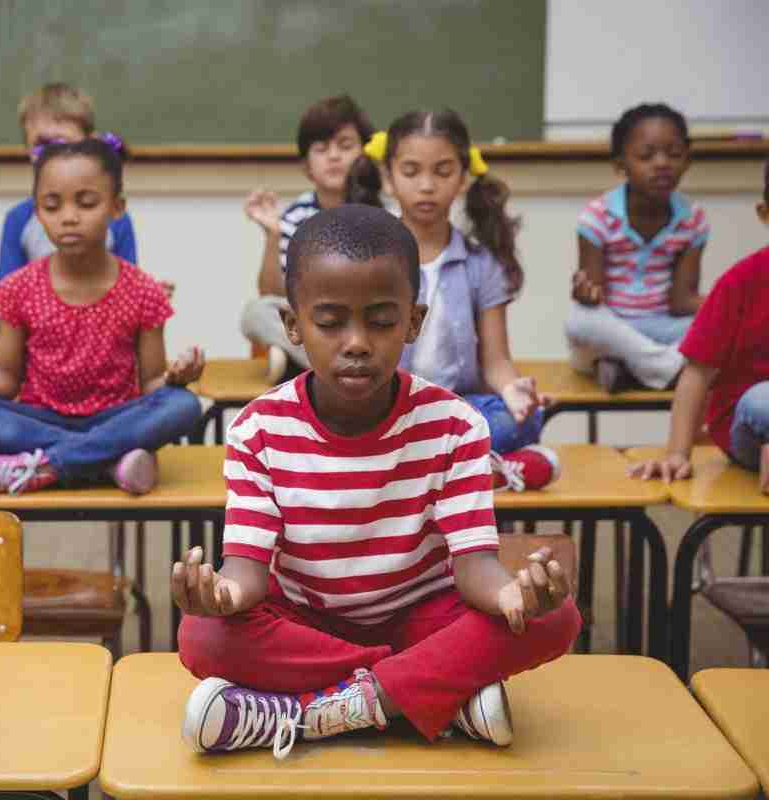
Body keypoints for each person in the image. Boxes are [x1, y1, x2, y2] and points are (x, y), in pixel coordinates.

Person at [174, 206, 580, 758]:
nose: (358, 342)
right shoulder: (258, 429)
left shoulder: (455, 425)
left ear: (413, 321)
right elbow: (246, 574)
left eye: (382, 321)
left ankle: (306, 714)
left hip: (420, 620)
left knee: (555, 618)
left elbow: (475, 568)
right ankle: (431, 695)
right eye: (330, 321)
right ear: (293, 326)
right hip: (309, 623)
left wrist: (512, 594)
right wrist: (219, 596)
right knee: (202, 634)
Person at [0, 138, 204, 496]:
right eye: (52, 205)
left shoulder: (144, 290)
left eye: (87, 202)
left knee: (183, 404)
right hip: (41, 419)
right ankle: (108, 462)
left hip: (117, 416)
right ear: (37, 211)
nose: (69, 217)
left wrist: (176, 377)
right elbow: (6, 378)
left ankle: (41, 467)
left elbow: (152, 383)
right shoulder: (18, 289)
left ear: (117, 208)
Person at [359, 109, 558, 490]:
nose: (428, 185)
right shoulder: (369, 258)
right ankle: (485, 467)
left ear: (464, 178)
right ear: (387, 177)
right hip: (386, 409)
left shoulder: (482, 264)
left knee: (521, 419)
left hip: (459, 409)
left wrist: (513, 391)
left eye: (443, 171)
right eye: (411, 171)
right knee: (360, 425)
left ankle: (431, 467)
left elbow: (497, 362)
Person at [0, 82, 141, 368]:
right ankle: (37, 369)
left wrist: (147, 295)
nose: (52, 157)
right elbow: (10, 297)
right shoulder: (20, 218)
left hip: (96, 325)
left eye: (62, 145)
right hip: (34, 327)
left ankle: (26, 369)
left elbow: (128, 291)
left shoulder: (113, 216)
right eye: (41, 146)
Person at [630, 159, 769, 494]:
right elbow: (696, 374)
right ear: (765, 214)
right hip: (750, 422)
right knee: (763, 400)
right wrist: (677, 453)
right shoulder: (742, 282)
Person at [564, 103, 708, 392]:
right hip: (611, 328)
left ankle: (629, 370)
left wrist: (725, 307)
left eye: (674, 154)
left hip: (661, 328)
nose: (662, 163)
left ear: (688, 159)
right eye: (646, 155)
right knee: (580, 320)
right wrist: (585, 293)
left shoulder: (693, 220)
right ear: (620, 164)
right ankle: (666, 369)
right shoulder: (597, 217)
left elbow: (681, 300)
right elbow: (594, 297)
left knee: (718, 327)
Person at [240, 94, 375, 383]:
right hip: (321, 323)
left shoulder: (384, 214)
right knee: (255, 312)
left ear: (365, 154)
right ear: (306, 166)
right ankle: (338, 366)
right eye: (321, 148)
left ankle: (300, 363)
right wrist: (273, 236)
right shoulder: (295, 218)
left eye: (345, 145)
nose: (334, 156)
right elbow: (272, 295)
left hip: (370, 324)